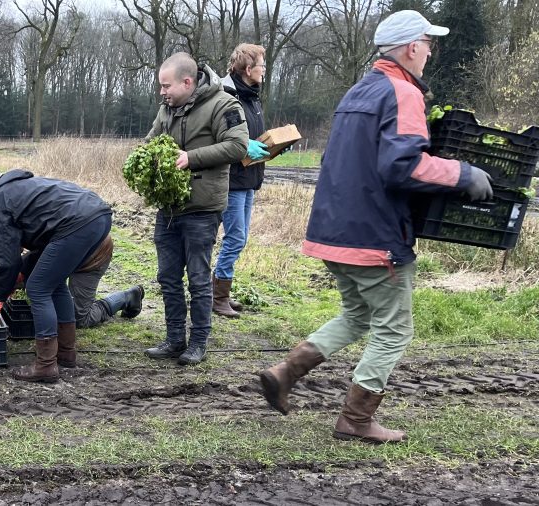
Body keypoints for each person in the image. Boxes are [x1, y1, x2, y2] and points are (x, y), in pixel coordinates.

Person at [258, 10, 494, 444]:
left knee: (358, 315)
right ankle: (356, 419)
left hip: (332, 233)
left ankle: (284, 373)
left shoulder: (358, 91)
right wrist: (464, 174)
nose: (429, 51)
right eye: (427, 42)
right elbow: (402, 165)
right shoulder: (402, 92)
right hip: (375, 238)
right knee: (394, 329)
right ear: (410, 48)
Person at [141, 52, 249, 366]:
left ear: (188, 82)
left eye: (166, 85)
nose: (162, 91)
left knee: (198, 278)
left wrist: (190, 157)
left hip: (202, 207)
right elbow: (151, 140)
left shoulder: (224, 105)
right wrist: (145, 154)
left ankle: (198, 342)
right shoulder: (167, 109)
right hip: (169, 206)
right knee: (168, 277)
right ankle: (175, 339)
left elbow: (237, 146)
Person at [0, 166, 113, 383]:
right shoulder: (17, 189)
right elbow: (39, 250)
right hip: (97, 216)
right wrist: (18, 275)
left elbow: (7, 257)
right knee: (55, 283)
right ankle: (65, 354)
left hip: (78, 222)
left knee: (38, 288)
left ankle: (45, 365)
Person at [0, 239, 145, 329]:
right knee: (37, 284)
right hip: (68, 249)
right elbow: (17, 261)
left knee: (79, 318)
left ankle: (126, 297)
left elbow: (21, 267)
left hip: (93, 253)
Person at [212, 43, 270, 319]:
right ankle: (218, 296)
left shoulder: (252, 97)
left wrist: (276, 143)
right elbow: (221, 137)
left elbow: (251, 133)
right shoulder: (227, 95)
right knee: (235, 237)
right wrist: (244, 147)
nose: (264, 70)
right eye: (261, 66)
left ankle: (222, 291)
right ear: (248, 69)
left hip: (249, 178)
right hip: (232, 179)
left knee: (240, 237)